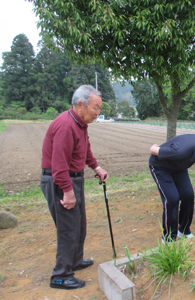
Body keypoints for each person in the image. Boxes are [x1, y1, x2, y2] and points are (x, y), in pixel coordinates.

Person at [40, 85, 109, 290]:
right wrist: (67, 192)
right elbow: (58, 164)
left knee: (79, 225)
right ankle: (61, 275)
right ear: (80, 105)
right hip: (61, 181)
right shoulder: (65, 125)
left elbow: (85, 150)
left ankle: (75, 261)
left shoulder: (80, 125)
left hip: (73, 180)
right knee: (68, 229)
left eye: (99, 108)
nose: (98, 112)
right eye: (95, 108)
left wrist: (96, 167)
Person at [149, 134, 195, 242]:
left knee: (188, 195)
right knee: (172, 199)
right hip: (160, 167)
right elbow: (154, 150)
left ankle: (184, 231)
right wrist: (153, 147)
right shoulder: (180, 152)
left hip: (179, 167)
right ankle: (168, 238)